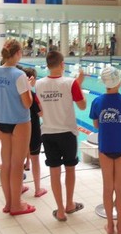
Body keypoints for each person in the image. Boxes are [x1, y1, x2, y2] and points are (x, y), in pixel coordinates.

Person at [35, 51, 87, 222]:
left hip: (48, 133)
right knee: (70, 169)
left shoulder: (39, 84)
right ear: (62, 64)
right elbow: (82, 106)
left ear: (47, 65)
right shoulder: (70, 83)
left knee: (54, 171)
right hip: (67, 133)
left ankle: (60, 210)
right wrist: (79, 85)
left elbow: (40, 109)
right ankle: (69, 204)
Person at [89, 66, 121, 234]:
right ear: (119, 81)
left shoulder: (97, 102)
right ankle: (120, 226)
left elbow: (96, 125)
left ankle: (110, 225)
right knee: (120, 187)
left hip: (105, 148)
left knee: (108, 187)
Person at [0, 39, 35, 216]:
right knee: (17, 165)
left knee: (6, 163)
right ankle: (17, 205)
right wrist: (30, 87)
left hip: (2, 121)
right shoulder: (19, 75)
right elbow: (27, 103)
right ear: (18, 53)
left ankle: (9, 203)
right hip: (19, 121)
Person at [23, 67, 47, 198]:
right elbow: (41, 113)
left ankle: (19, 186)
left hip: (19, 130)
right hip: (33, 130)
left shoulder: (16, 94)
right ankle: (38, 189)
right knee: (35, 160)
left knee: (19, 159)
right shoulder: (32, 95)